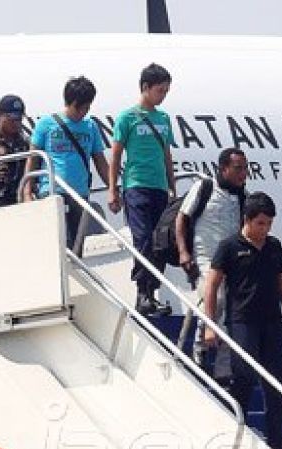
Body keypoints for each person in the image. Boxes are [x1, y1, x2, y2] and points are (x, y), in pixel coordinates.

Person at [202, 192, 282, 449]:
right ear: (246, 220)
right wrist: (209, 325)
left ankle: (279, 445)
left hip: (271, 322)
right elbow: (211, 285)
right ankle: (235, 431)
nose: (265, 229)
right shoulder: (230, 247)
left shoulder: (273, 247)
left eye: (268, 224)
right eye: (260, 223)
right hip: (242, 321)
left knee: (277, 384)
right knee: (242, 376)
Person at [107, 63, 177, 315]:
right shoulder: (127, 118)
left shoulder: (164, 118)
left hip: (159, 186)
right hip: (136, 185)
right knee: (143, 238)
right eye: (160, 90)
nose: (163, 96)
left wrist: (172, 186)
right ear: (145, 88)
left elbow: (167, 155)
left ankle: (152, 292)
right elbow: (115, 156)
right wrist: (113, 190)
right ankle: (142, 292)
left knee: (160, 242)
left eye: (166, 91)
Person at [175, 148, 248, 374]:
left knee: (231, 309)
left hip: (231, 258)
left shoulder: (242, 196)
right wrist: (183, 252)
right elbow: (182, 219)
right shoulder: (205, 188)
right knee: (213, 297)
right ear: (223, 168)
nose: (243, 174)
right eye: (238, 168)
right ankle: (200, 347)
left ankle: (224, 367)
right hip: (205, 255)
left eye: (245, 168)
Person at [24, 77, 111, 249]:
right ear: (72, 102)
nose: (85, 111)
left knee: (77, 246)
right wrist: (27, 191)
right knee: (57, 244)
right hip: (51, 191)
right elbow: (32, 159)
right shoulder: (46, 124)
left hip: (80, 193)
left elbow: (100, 161)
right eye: (82, 106)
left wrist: (113, 188)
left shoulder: (90, 126)